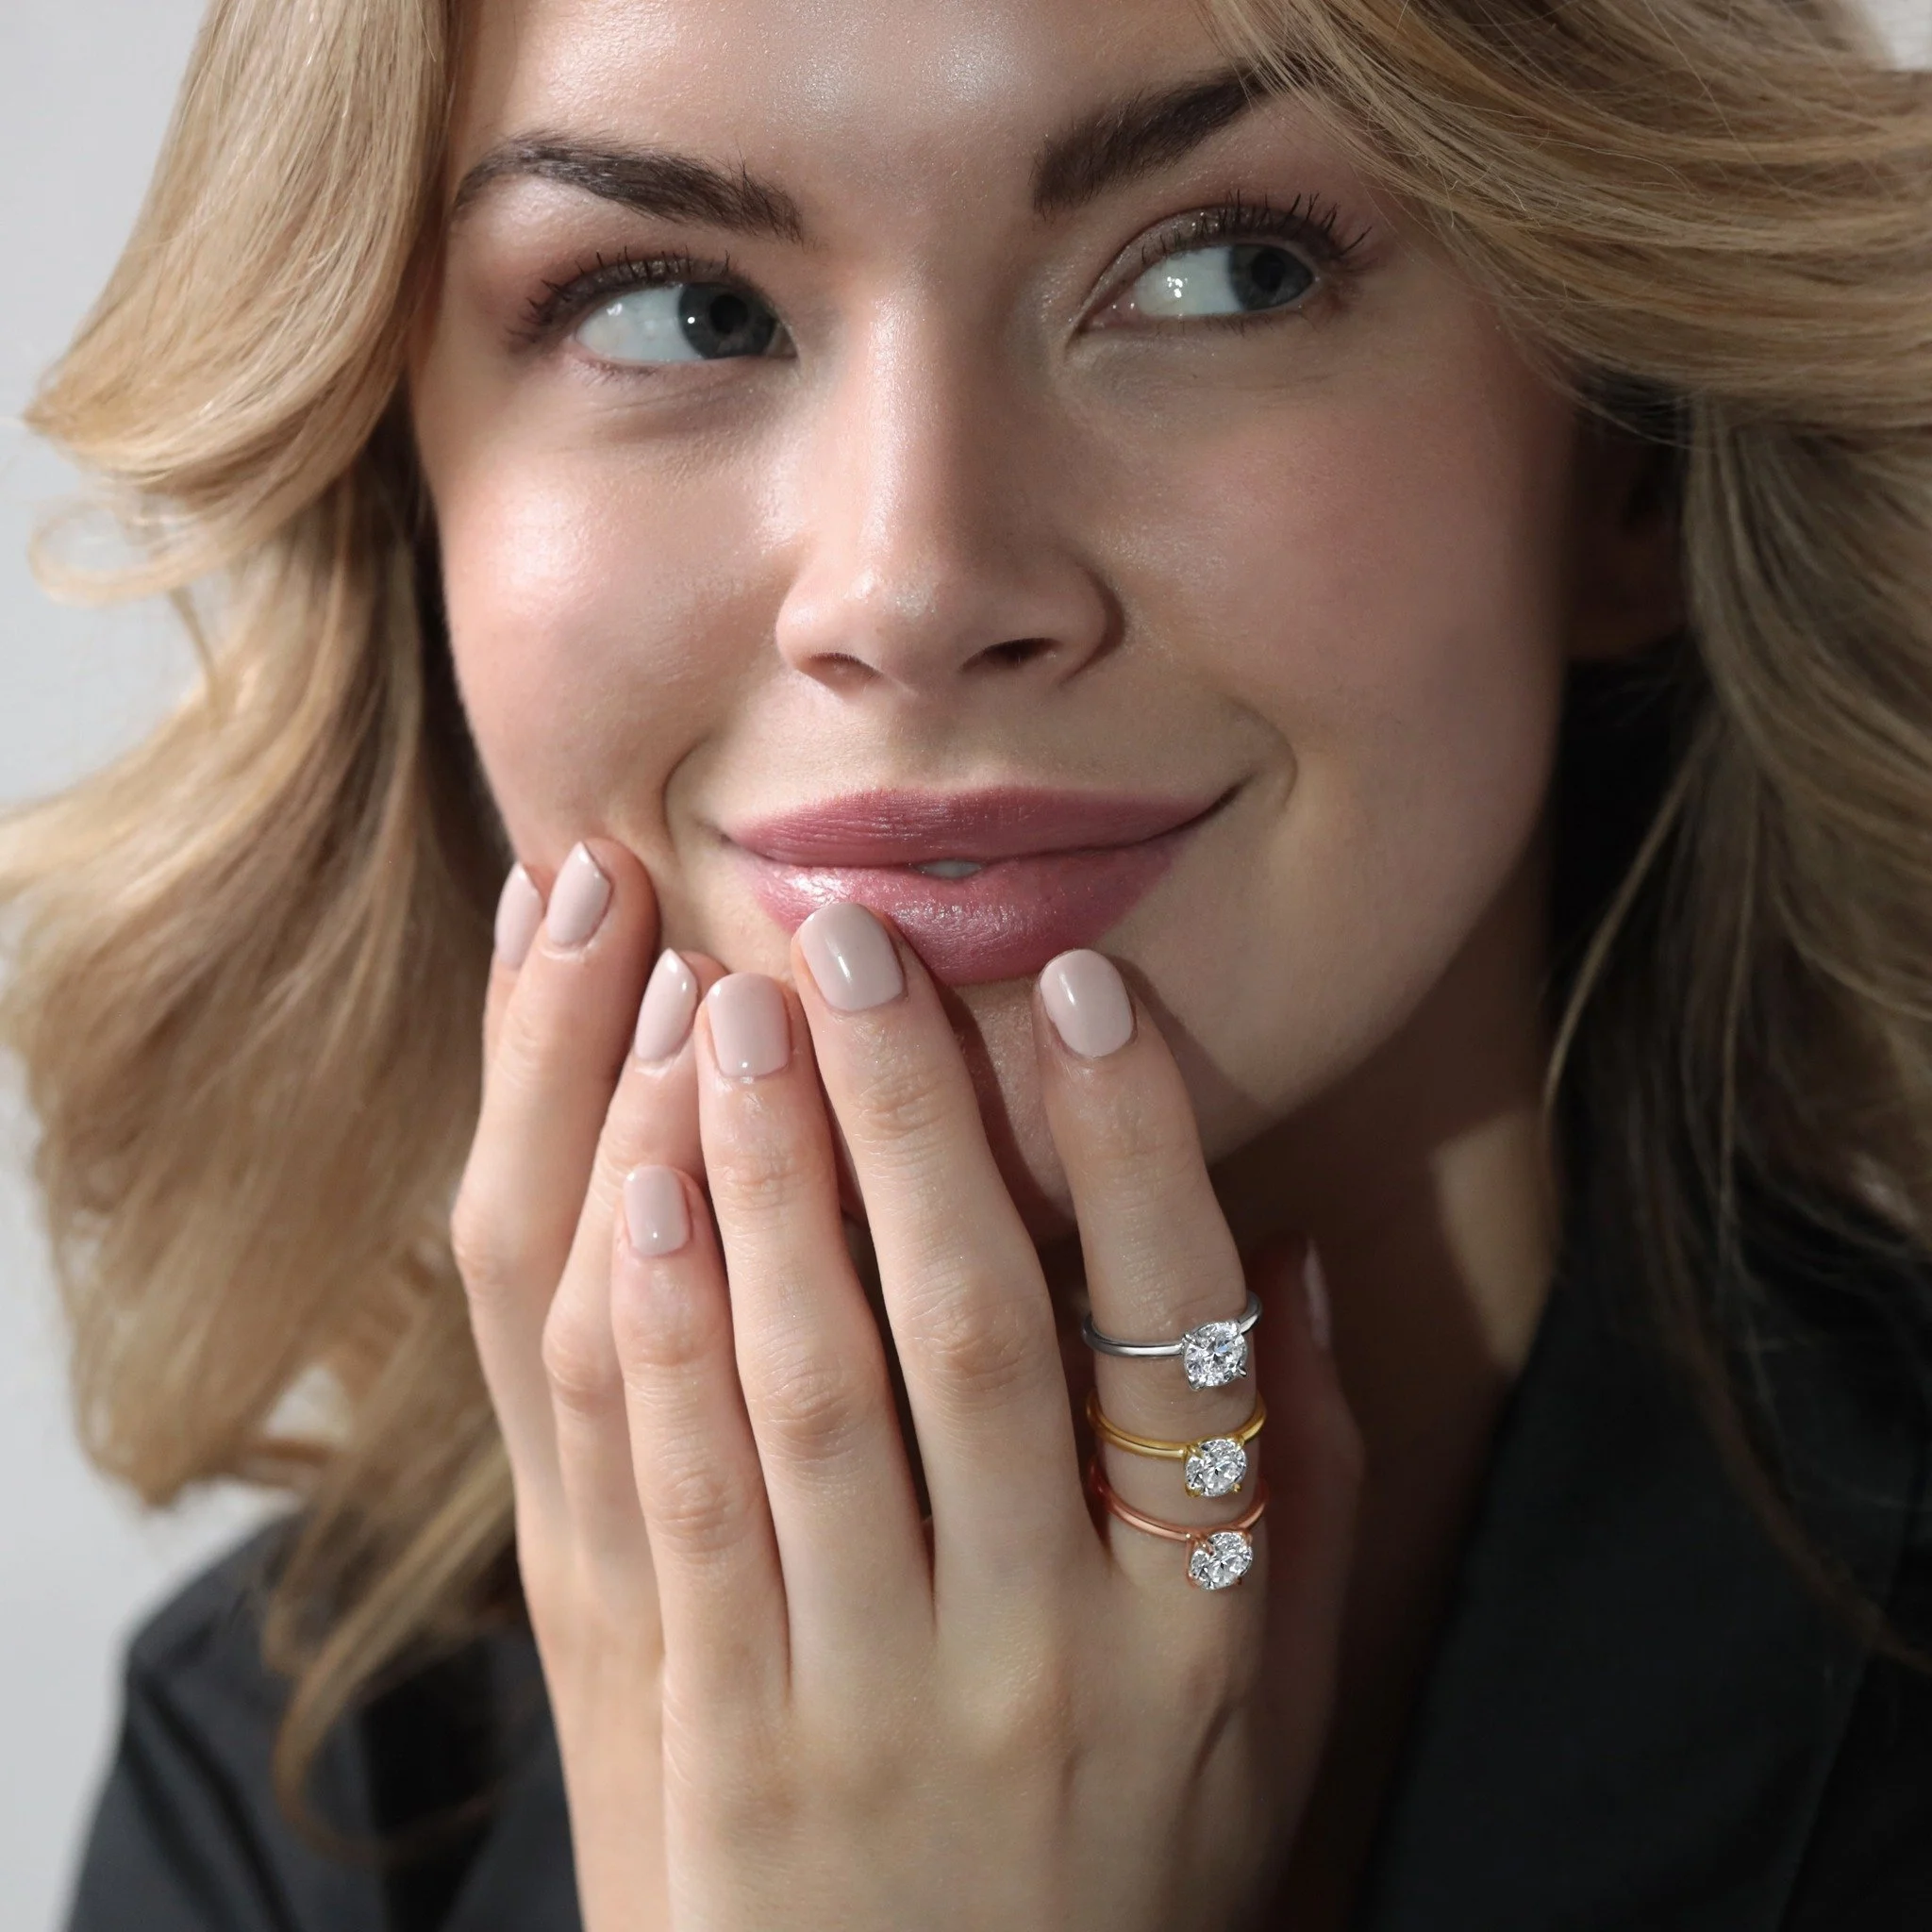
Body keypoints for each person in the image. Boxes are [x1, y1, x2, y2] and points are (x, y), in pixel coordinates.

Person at [5, 0, 1931, 1923]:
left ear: (1630, 451)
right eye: (679, 308)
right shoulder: (293, 1792)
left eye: (1222, 272)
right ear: (410, 495)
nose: (908, 587)